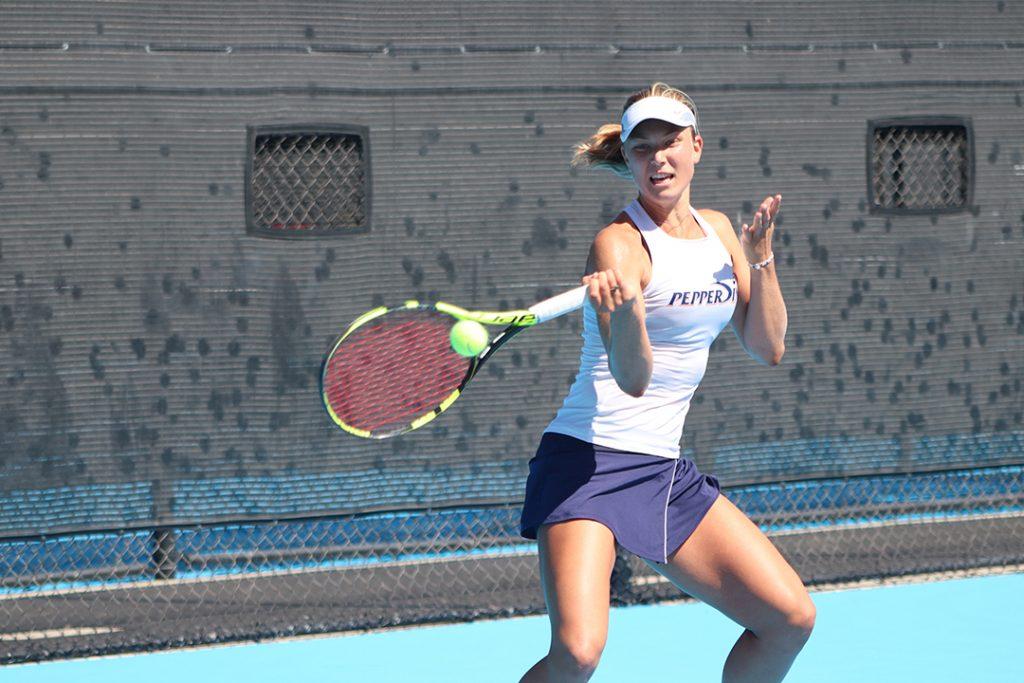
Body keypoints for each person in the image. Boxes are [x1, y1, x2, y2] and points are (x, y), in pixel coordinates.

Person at [518, 83, 814, 682]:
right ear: (627, 160)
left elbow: (768, 346)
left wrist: (760, 256)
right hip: (588, 462)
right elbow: (631, 379)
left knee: (790, 618)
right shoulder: (618, 244)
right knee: (577, 653)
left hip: (662, 470)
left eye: (670, 142)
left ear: (696, 146)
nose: (658, 159)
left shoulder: (722, 234)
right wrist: (627, 311)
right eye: (641, 148)